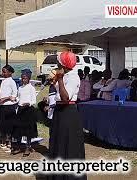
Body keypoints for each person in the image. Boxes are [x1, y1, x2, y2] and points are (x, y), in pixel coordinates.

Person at [48, 51, 86, 180]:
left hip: (68, 112)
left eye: (59, 61)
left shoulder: (73, 77)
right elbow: (59, 93)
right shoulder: (65, 75)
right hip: (60, 111)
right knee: (59, 142)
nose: (57, 63)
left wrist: (59, 79)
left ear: (64, 63)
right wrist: (55, 82)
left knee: (68, 144)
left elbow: (65, 98)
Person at [12, 69, 38, 157]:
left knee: (28, 130)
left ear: (29, 78)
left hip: (28, 110)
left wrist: (28, 103)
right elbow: (19, 98)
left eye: (25, 78)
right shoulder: (20, 88)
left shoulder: (31, 88)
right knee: (18, 129)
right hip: (20, 110)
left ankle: (28, 147)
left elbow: (34, 101)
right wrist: (16, 100)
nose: (23, 80)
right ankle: (19, 147)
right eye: (22, 78)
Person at [0, 65, 18, 151]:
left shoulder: (11, 82)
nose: (3, 73)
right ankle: (3, 141)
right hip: (1, 106)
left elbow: (14, 94)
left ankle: (10, 141)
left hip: (9, 106)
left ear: (10, 73)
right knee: (2, 124)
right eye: (2, 71)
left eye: (4, 72)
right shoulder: (3, 81)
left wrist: (5, 99)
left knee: (9, 124)